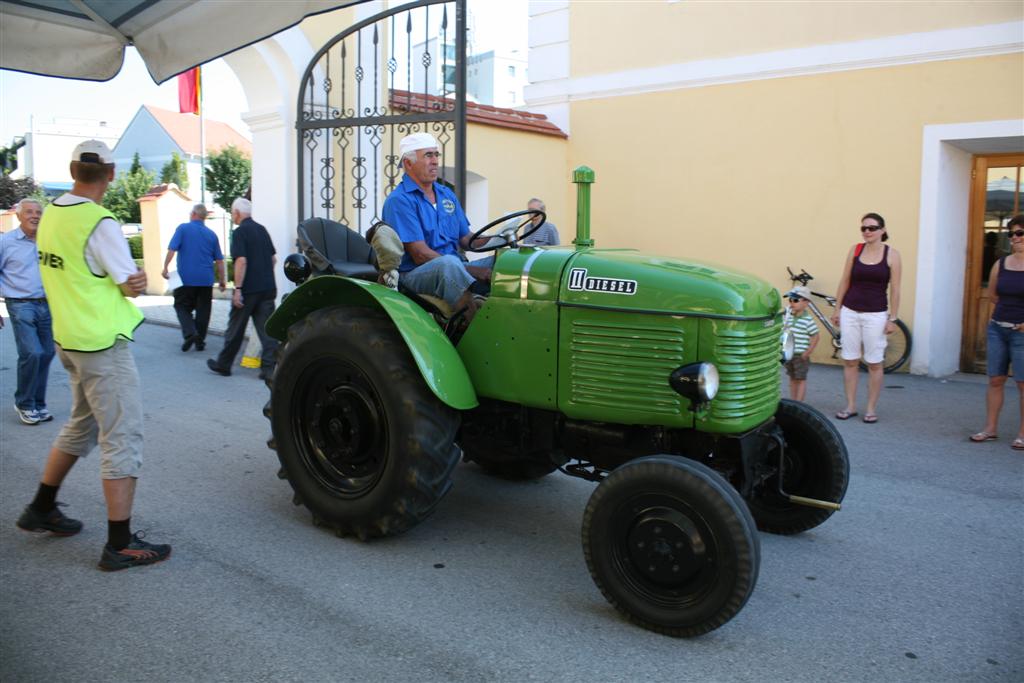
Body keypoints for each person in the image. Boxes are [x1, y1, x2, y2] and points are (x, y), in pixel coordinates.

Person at [16, 139, 171, 571]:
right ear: (112, 173)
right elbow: (127, 282)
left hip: (68, 338)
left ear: (72, 170)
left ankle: (41, 507)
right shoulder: (100, 222)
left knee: (81, 426)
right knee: (122, 437)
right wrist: (135, 281)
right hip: (101, 344)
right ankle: (119, 544)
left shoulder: (49, 216)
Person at [382, 133, 488, 313]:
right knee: (449, 265)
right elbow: (420, 255)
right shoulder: (399, 200)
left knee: (506, 263)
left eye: (436, 155)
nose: (435, 161)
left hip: (456, 266)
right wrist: (469, 269)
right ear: (408, 163)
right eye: (428, 155)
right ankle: (471, 328)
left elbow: (467, 239)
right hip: (416, 274)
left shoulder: (446, 194)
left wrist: (501, 239)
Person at [831, 212, 902, 424]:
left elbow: (896, 290)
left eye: (871, 228)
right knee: (850, 360)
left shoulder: (892, 255)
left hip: (876, 314)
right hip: (851, 311)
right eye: (864, 228)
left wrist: (893, 318)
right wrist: (837, 309)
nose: (867, 232)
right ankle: (850, 406)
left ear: (883, 230)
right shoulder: (855, 250)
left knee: (874, 363)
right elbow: (845, 281)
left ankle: (870, 408)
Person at [207, 197, 278, 380]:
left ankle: (224, 364)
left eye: (232, 213)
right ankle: (269, 369)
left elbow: (241, 261)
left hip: (248, 290)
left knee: (235, 329)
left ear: (237, 213)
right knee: (267, 330)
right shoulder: (262, 230)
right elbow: (273, 259)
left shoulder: (240, 233)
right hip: (268, 287)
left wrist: (238, 289)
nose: (233, 216)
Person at [0, 198, 56, 425]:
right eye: (30, 212)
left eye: (38, 212)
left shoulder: (47, 240)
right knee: (32, 353)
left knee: (47, 353)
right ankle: (24, 403)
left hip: (47, 303)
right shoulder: (6, 242)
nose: (35, 215)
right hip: (20, 303)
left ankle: (38, 404)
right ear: (19, 215)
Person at [971, 214, 1024, 450]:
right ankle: (990, 428)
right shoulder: (1001, 264)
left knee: (1022, 384)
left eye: (1019, 233)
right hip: (998, 328)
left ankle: (1022, 433)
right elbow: (992, 295)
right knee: (995, 380)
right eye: (1011, 233)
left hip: (1022, 333)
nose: (1014, 237)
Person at [161, 203, 226, 352]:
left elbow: (172, 249)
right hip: (205, 280)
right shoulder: (212, 234)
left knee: (181, 306)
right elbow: (220, 261)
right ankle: (200, 342)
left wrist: (165, 267)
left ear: (194, 214)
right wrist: (222, 280)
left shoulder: (183, 228)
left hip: (185, 279)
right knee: (203, 311)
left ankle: (190, 333)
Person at [782, 285, 820, 402]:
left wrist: (808, 352)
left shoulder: (807, 320)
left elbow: (816, 336)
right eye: (790, 300)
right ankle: (793, 401)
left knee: (801, 379)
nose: (792, 303)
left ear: (806, 302)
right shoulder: (788, 317)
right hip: (789, 354)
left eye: (795, 300)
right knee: (792, 378)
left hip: (800, 355)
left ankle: (799, 402)